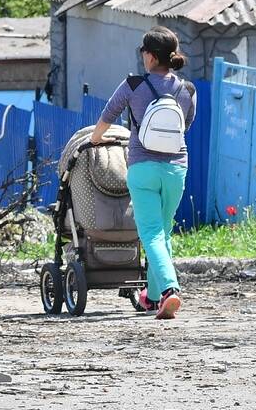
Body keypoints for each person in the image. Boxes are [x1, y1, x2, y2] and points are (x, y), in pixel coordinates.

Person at [89, 25, 196, 320]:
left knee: (150, 234)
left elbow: (107, 116)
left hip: (143, 168)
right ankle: (150, 298)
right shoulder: (187, 90)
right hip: (176, 169)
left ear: (149, 56)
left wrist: (96, 139)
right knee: (163, 232)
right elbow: (184, 127)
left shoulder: (133, 85)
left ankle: (169, 291)